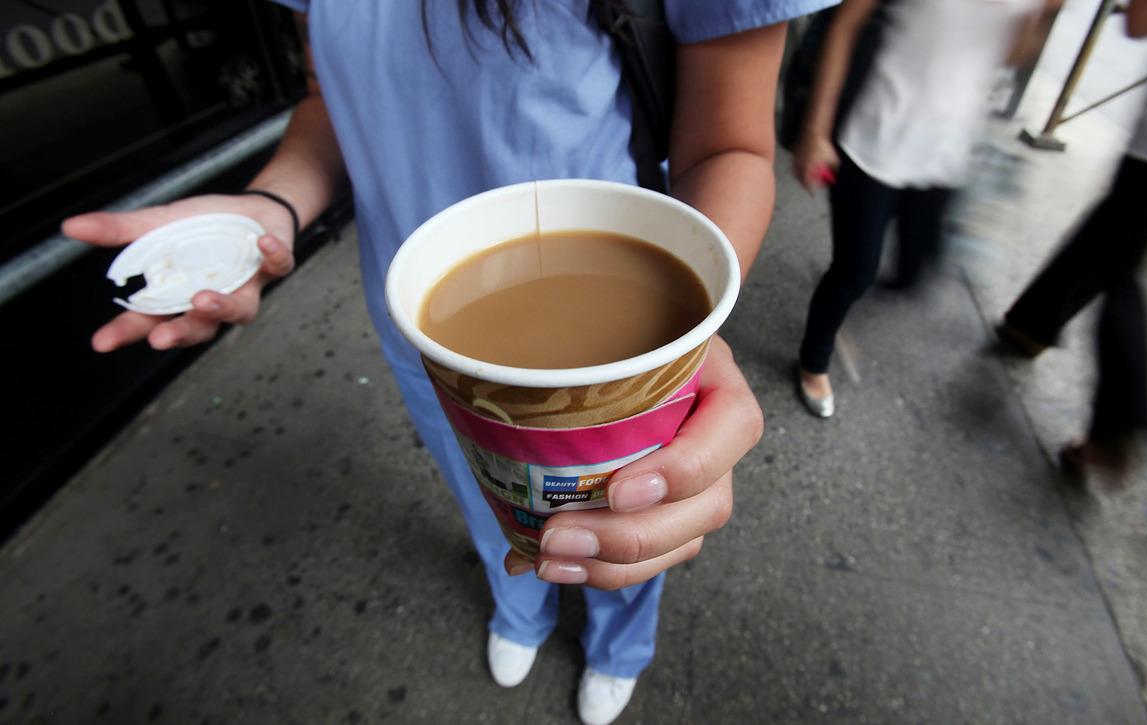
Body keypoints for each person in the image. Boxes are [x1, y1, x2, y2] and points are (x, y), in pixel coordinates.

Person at [61, 2, 834, 722]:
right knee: (485, 491)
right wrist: (272, 208)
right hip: (424, 337)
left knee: (633, 510)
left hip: (616, 354)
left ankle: (618, 644)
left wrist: (690, 334)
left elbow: (728, 144)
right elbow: (337, 104)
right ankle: (521, 604)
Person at [789, 0, 1060, 418]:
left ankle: (848, 292)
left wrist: (1040, 18)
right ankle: (814, 360)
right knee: (854, 271)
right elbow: (845, 24)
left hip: (947, 152)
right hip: (874, 138)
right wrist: (816, 130)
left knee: (918, 265)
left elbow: (1009, 57)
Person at [997, 0, 1147, 487]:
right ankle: (1033, 323)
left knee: (1121, 265)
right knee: (1113, 230)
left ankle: (1119, 426)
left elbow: (1142, 21)